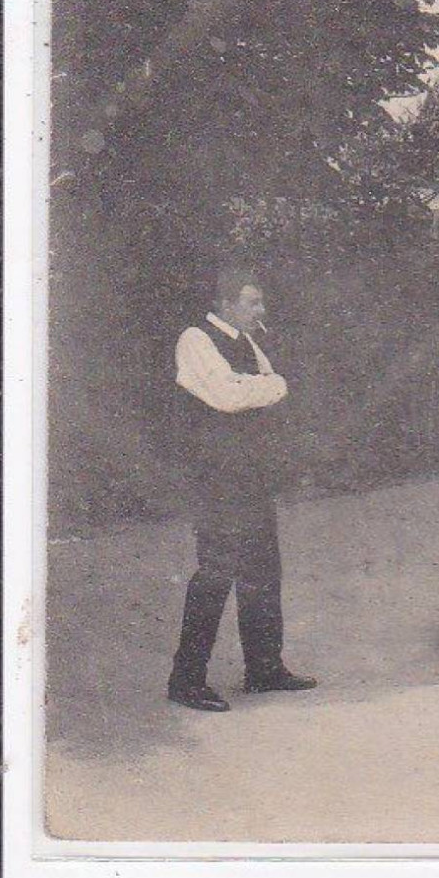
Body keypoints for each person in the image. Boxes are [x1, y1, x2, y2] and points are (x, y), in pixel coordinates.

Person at [167, 268, 317, 712]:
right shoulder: (195, 339)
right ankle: (186, 680)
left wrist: (263, 387)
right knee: (215, 572)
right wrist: (272, 386)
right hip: (217, 479)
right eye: (253, 303)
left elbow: (263, 387)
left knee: (263, 570)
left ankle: (264, 668)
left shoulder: (248, 342)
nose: (261, 311)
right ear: (225, 303)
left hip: (251, 476)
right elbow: (226, 395)